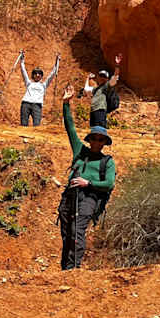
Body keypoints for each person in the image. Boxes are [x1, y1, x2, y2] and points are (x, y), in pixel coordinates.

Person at [57, 87, 115, 270]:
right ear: (89, 140)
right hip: (70, 195)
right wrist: (66, 103)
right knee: (66, 232)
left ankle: (74, 268)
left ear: (105, 142)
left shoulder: (107, 161)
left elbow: (109, 184)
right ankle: (65, 270)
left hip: (89, 197)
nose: (97, 142)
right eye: (94, 138)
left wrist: (88, 183)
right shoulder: (80, 150)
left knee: (77, 230)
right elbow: (70, 128)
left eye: (101, 139)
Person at [17, 51, 59, 127]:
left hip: (37, 105)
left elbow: (52, 74)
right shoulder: (29, 83)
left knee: (37, 126)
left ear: (41, 76)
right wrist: (22, 59)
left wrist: (57, 61)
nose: (37, 75)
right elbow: (23, 71)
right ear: (33, 75)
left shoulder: (44, 85)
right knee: (23, 125)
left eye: (39, 74)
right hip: (26, 104)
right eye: (35, 73)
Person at [82, 53, 123, 128]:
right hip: (93, 111)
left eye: (104, 77)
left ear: (107, 79)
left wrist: (117, 65)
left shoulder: (106, 86)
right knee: (93, 129)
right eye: (100, 76)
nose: (102, 78)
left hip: (100, 110)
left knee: (100, 129)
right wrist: (88, 78)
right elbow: (86, 89)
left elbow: (115, 77)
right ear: (98, 77)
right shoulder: (96, 89)